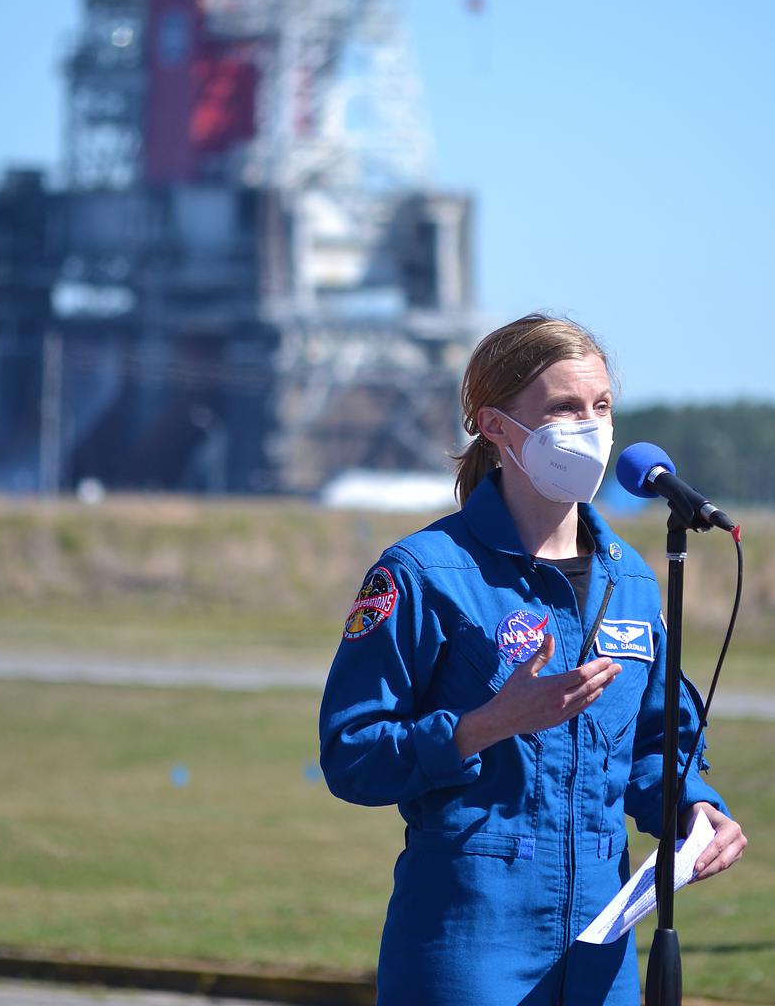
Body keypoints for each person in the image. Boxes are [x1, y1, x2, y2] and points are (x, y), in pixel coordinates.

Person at [319, 314, 745, 1006]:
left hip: (602, 943)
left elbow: (652, 744)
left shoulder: (632, 581)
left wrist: (695, 808)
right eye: (563, 408)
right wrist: (486, 724)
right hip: (468, 939)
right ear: (495, 425)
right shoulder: (423, 573)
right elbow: (351, 756)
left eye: (600, 406)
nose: (590, 427)